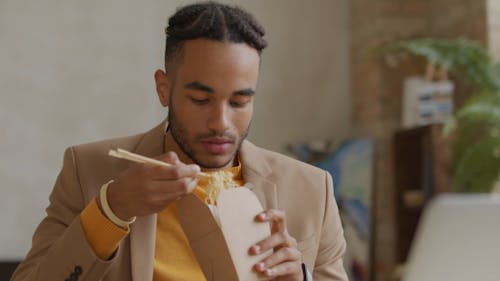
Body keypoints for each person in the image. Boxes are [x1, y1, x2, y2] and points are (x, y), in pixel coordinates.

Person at [11, 2, 347, 281]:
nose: (221, 123)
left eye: (239, 102)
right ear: (163, 89)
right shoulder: (88, 169)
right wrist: (111, 210)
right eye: (201, 100)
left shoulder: (312, 190)